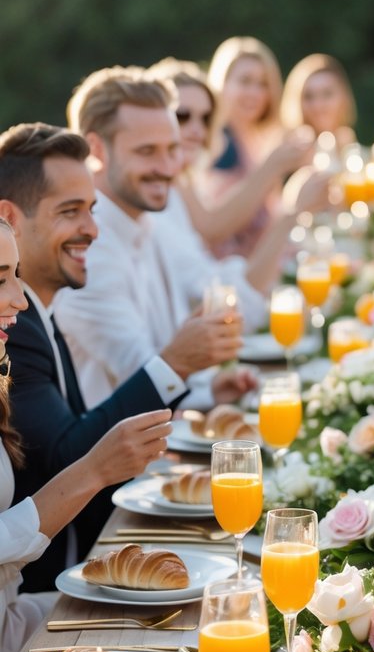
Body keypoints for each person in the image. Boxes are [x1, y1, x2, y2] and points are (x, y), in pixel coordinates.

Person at [0, 122, 197, 589]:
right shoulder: (17, 330)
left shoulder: (39, 315)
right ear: (10, 217)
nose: (92, 229)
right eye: (71, 211)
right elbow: (64, 456)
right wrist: (175, 365)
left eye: (92, 210)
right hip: (43, 586)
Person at [0, 214, 172, 652]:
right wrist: (93, 470)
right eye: (0, 280)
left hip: (11, 620)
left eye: (15, 278)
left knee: (170, 619)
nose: (19, 300)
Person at [54, 67, 254, 408]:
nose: (167, 167)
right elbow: (140, 378)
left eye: (172, 149)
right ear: (96, 149)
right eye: (147, 152)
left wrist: (210, 393)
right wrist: (187, 357)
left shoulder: (149, 222)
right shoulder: (86, 249)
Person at [150, 60, 329, 298]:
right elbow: (213, 228)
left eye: (204, 119)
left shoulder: (253, 143)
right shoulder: (218, 153)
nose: (197, 130)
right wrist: (279, 179)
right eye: (182, 116)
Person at [205, 36, 312, 258]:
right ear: (221, 84)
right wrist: (272, 168)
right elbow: (217, 224)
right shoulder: (220, 146)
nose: (255, 93)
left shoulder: (257, 141)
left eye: (263, 84)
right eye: (245, 81)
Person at [280, 53, 357, 148]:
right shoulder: (284, 152)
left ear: (344, 96)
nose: (318, 105)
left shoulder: (355, 152)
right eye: (309, 96)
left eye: (327, 94)